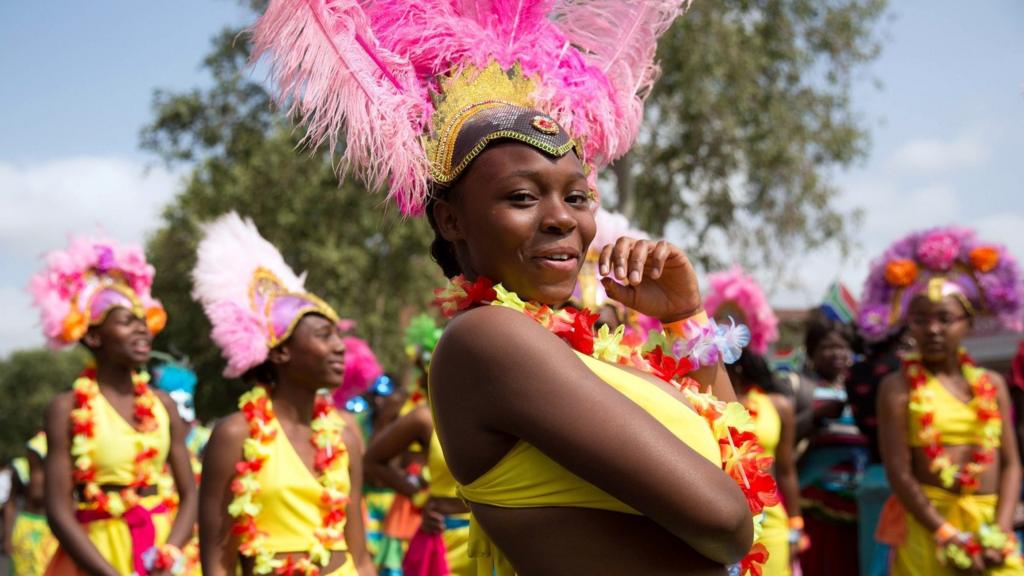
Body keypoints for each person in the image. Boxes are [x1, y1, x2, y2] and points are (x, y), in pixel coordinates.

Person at [251, 2, 778, 574]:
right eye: (523, 198)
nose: (561, 219)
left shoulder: (582, 349)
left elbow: (746, 465)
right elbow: (727, 523)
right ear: (451, 220)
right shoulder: (490, 339)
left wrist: (686, 319)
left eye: (577, 197)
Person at [191, 213, 375, 576]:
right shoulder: (234, 435)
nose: (341, 347)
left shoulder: (345, 436)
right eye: (324, 336)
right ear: (280, 352)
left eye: (338, 335)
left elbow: (361, 554)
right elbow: (217, 562)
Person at [29, 236, 197, 576]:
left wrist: (168, 554)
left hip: (163, 549)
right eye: (126, 322)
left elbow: (190, 492)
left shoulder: (163, 404)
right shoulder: (66, 408)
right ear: (93, 337)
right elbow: (59, 510)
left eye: (143, 321)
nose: (142, 330)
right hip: (96, 556)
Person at [865, 226, 1024, 575]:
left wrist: (1001, 529)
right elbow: (899, 473)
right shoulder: (897, 387)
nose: (933, 329)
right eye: (920, 320)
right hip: (930, 531)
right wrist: (947, 534)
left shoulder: (992, 384)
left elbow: (1012, 463)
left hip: (992, 532)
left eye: (945, 319)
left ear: (968, 324)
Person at [705, 267, 804, 575]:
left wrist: (796, 525)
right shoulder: (695, 399)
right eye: (717, 325)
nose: (725, 334)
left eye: (734, 326)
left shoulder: (778, 405)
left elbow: (786, 470)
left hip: (771, 526)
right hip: (714, 524)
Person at [364, 399, 471, 576]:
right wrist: (418, 497)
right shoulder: (425, 417)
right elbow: (373, 461)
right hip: (447, 539)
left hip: (503, 538)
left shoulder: (507, 409)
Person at [4, 432, 58, 576]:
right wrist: (7, 537)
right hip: (25, 527)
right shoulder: (20, 470)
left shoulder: (59, 473)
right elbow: (10, 502)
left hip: (53, 529)